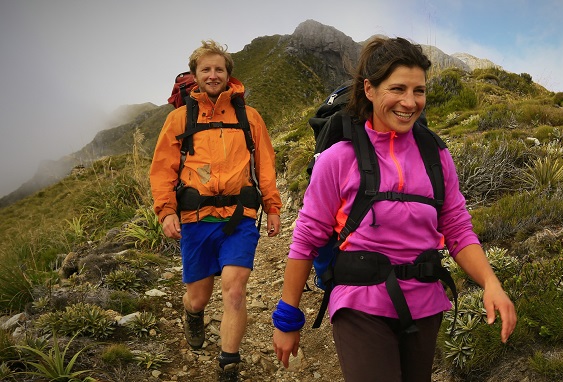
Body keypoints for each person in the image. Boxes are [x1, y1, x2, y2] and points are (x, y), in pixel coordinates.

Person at [272, 36, 516, 381]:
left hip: (425, 305)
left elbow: (458, 230)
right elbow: (307, 239)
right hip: (359, 304)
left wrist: (491, 283)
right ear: (369, 89)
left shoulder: (437, 155)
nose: (410, 102)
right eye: (398, 89)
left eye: (419, 91)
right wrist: (287, 317)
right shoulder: (337, 159)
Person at [150, 39, 282, 381]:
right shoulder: (180, 118)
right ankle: (193, 315)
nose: (213, 75)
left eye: (219, 69)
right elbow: (163, 169)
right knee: (198, 297)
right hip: (196, 219)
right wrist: (166, 211)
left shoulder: (249, 117)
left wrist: (273, 206)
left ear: (228, 75)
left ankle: (228, 364)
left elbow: (265, 165)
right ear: (195, 75)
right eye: (206, 69)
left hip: (240, 217)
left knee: (236, 289)